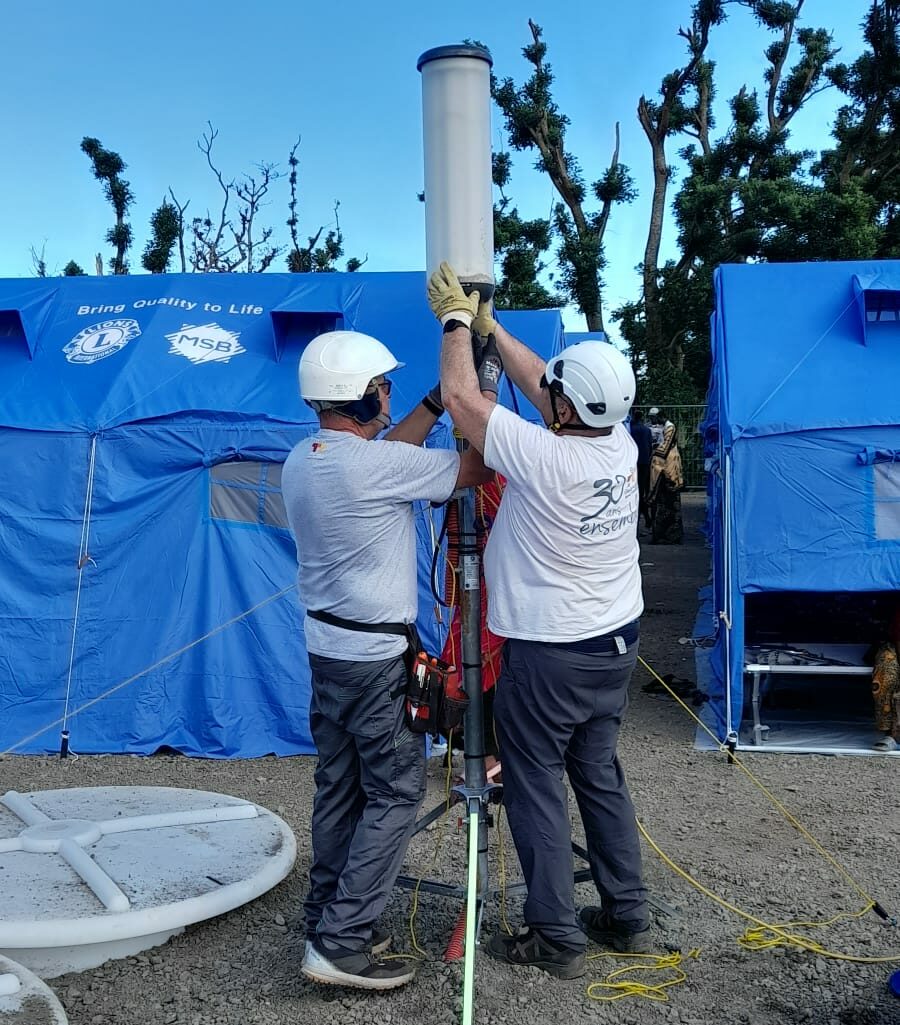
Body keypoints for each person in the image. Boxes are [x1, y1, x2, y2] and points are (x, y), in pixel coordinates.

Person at [427, 262, 650, 980]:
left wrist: (456, 323)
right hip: (613, 644)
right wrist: (496, 328)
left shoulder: (546, 459)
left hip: (551, 656)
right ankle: (627, 914)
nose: (544, 393)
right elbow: (542, 386)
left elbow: (464, 400)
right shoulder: (619, 443)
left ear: (564, 410)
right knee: (599, 775)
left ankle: (554, 933)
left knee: (534, 784)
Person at [281, 329, 494, 991]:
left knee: (339, 785)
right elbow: (476, 467)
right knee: (398, 789)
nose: (389, 393)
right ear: (363, 394)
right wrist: (471, 396)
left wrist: (432, 403)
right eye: (384, 386)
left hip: (327, 652)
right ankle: (342, 942)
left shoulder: (306, 457)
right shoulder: (372, 468)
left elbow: (385, 455)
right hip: (375, 660)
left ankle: (325, 914)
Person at [648, 410, 684, 545]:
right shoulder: (664, 428)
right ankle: (662, 534)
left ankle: (669, 535)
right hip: (664, 467)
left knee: (669, 502)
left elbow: (664, 449)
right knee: (662, 503)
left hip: (668, 468)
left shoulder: (670, 427)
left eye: (654, 418)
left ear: (660, 417)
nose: (652, 420)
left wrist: (653, 452)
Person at [629, 409, 653, 530]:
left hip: (634, 462)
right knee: (643, 490)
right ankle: (647, 517)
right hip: (644, 462)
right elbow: (650, 445)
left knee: (635, 491)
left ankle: (643, 517)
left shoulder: (630, 430)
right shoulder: (647, 430)